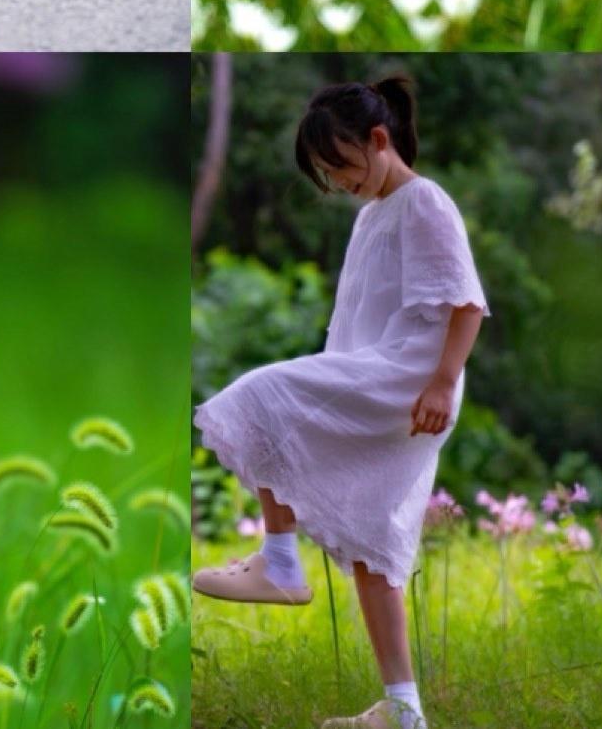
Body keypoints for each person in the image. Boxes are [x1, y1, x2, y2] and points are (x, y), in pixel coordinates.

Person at [193, 77, 490, 729]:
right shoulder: (371, 215)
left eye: (343, 166)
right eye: (327, 176)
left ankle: (278, 565)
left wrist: (442, 381)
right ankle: (405, 712)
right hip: (380, 370)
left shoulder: (424, 202)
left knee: (262, 399)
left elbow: (466, 303)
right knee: (372, 547)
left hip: (409, 374)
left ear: (379, 141)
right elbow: (356, 311)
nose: (339, 183)